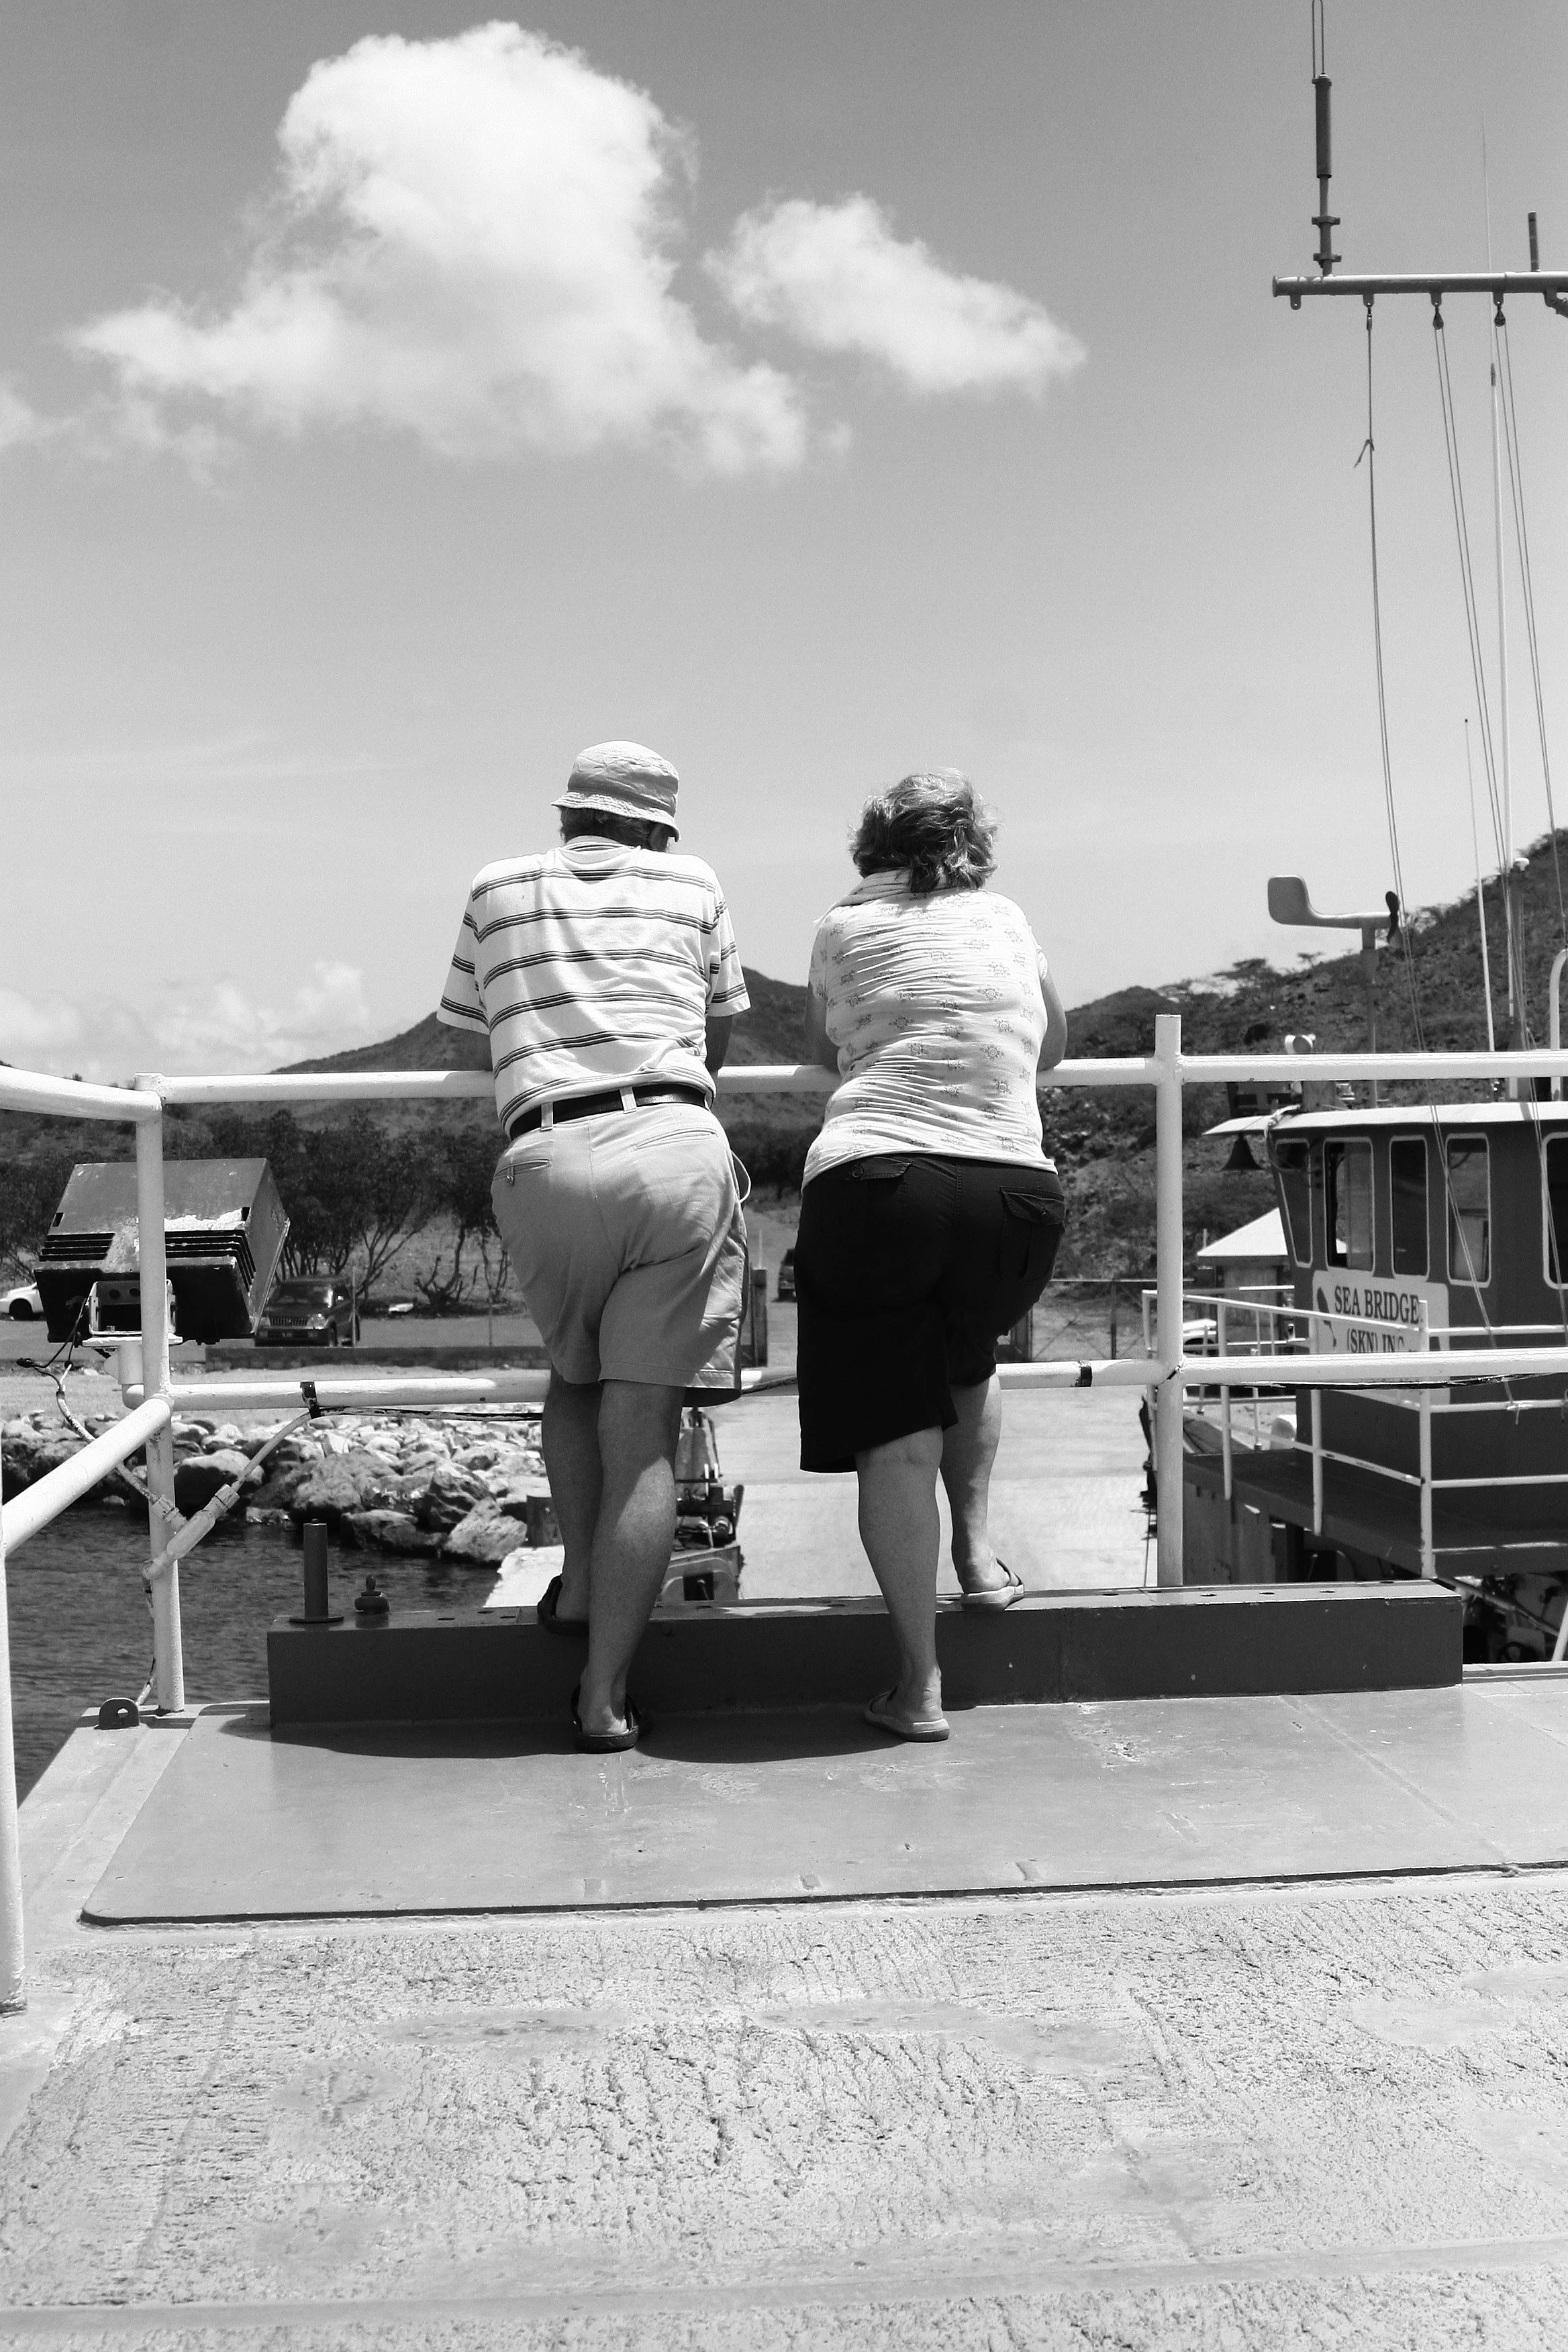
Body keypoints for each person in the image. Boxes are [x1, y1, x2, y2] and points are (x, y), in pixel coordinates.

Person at [438, 742, 750, 1754]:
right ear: (659, 829)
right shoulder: (693, 882)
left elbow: (464, 1032)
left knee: (574, 1381)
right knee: (644, 1428)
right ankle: (604, 1694)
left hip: (546, 1153)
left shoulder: (495, 885)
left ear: (571, 815)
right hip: (670, 1145)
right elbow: (720, 1039)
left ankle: (576, 1590)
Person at [795, 768, 1067, 1742]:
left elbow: (823, 1049)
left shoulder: (842, 926)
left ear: (871, 842)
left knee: (895, 1445)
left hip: (880, 1184)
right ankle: (982, 1561)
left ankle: (918, 1689)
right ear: (974, 844)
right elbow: (1055, 1045)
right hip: (1017, 1199)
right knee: (968, 1347)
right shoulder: (1008, 919)